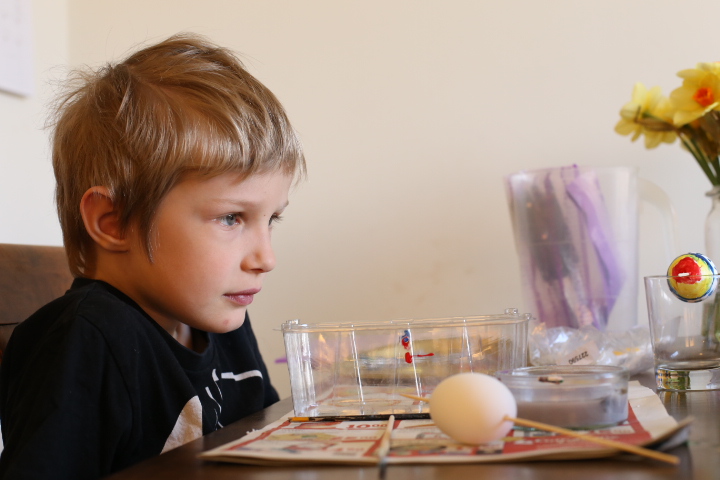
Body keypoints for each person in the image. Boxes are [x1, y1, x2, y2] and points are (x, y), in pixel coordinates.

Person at [0, 33, 305, 479]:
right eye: (231, 218)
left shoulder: (223, 317)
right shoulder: (86, 340)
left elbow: (264, 448)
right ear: (114, 221)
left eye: (271, 219)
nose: (266, 258)